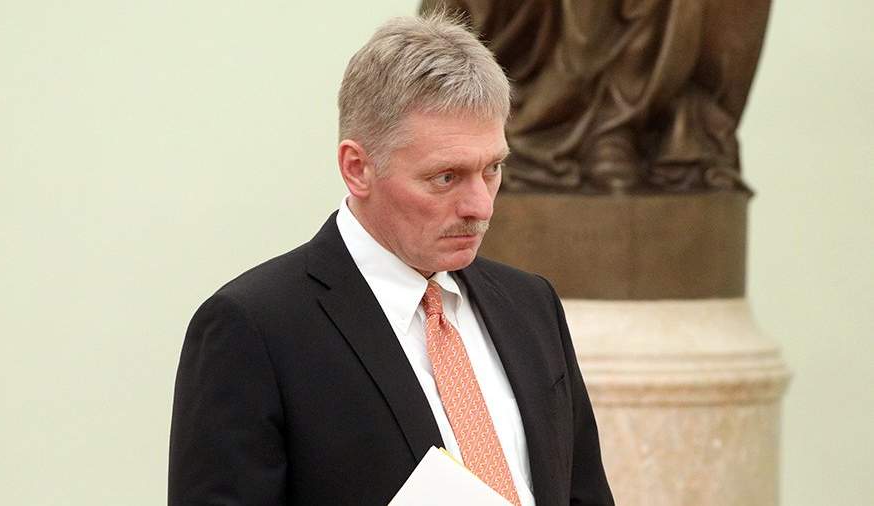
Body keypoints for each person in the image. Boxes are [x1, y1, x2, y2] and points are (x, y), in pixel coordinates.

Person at [169, 14, 614, 506]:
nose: (480, 206)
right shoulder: (253, 328)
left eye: (492, 169)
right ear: (357, 168)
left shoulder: (530, 304)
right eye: (446, 177)